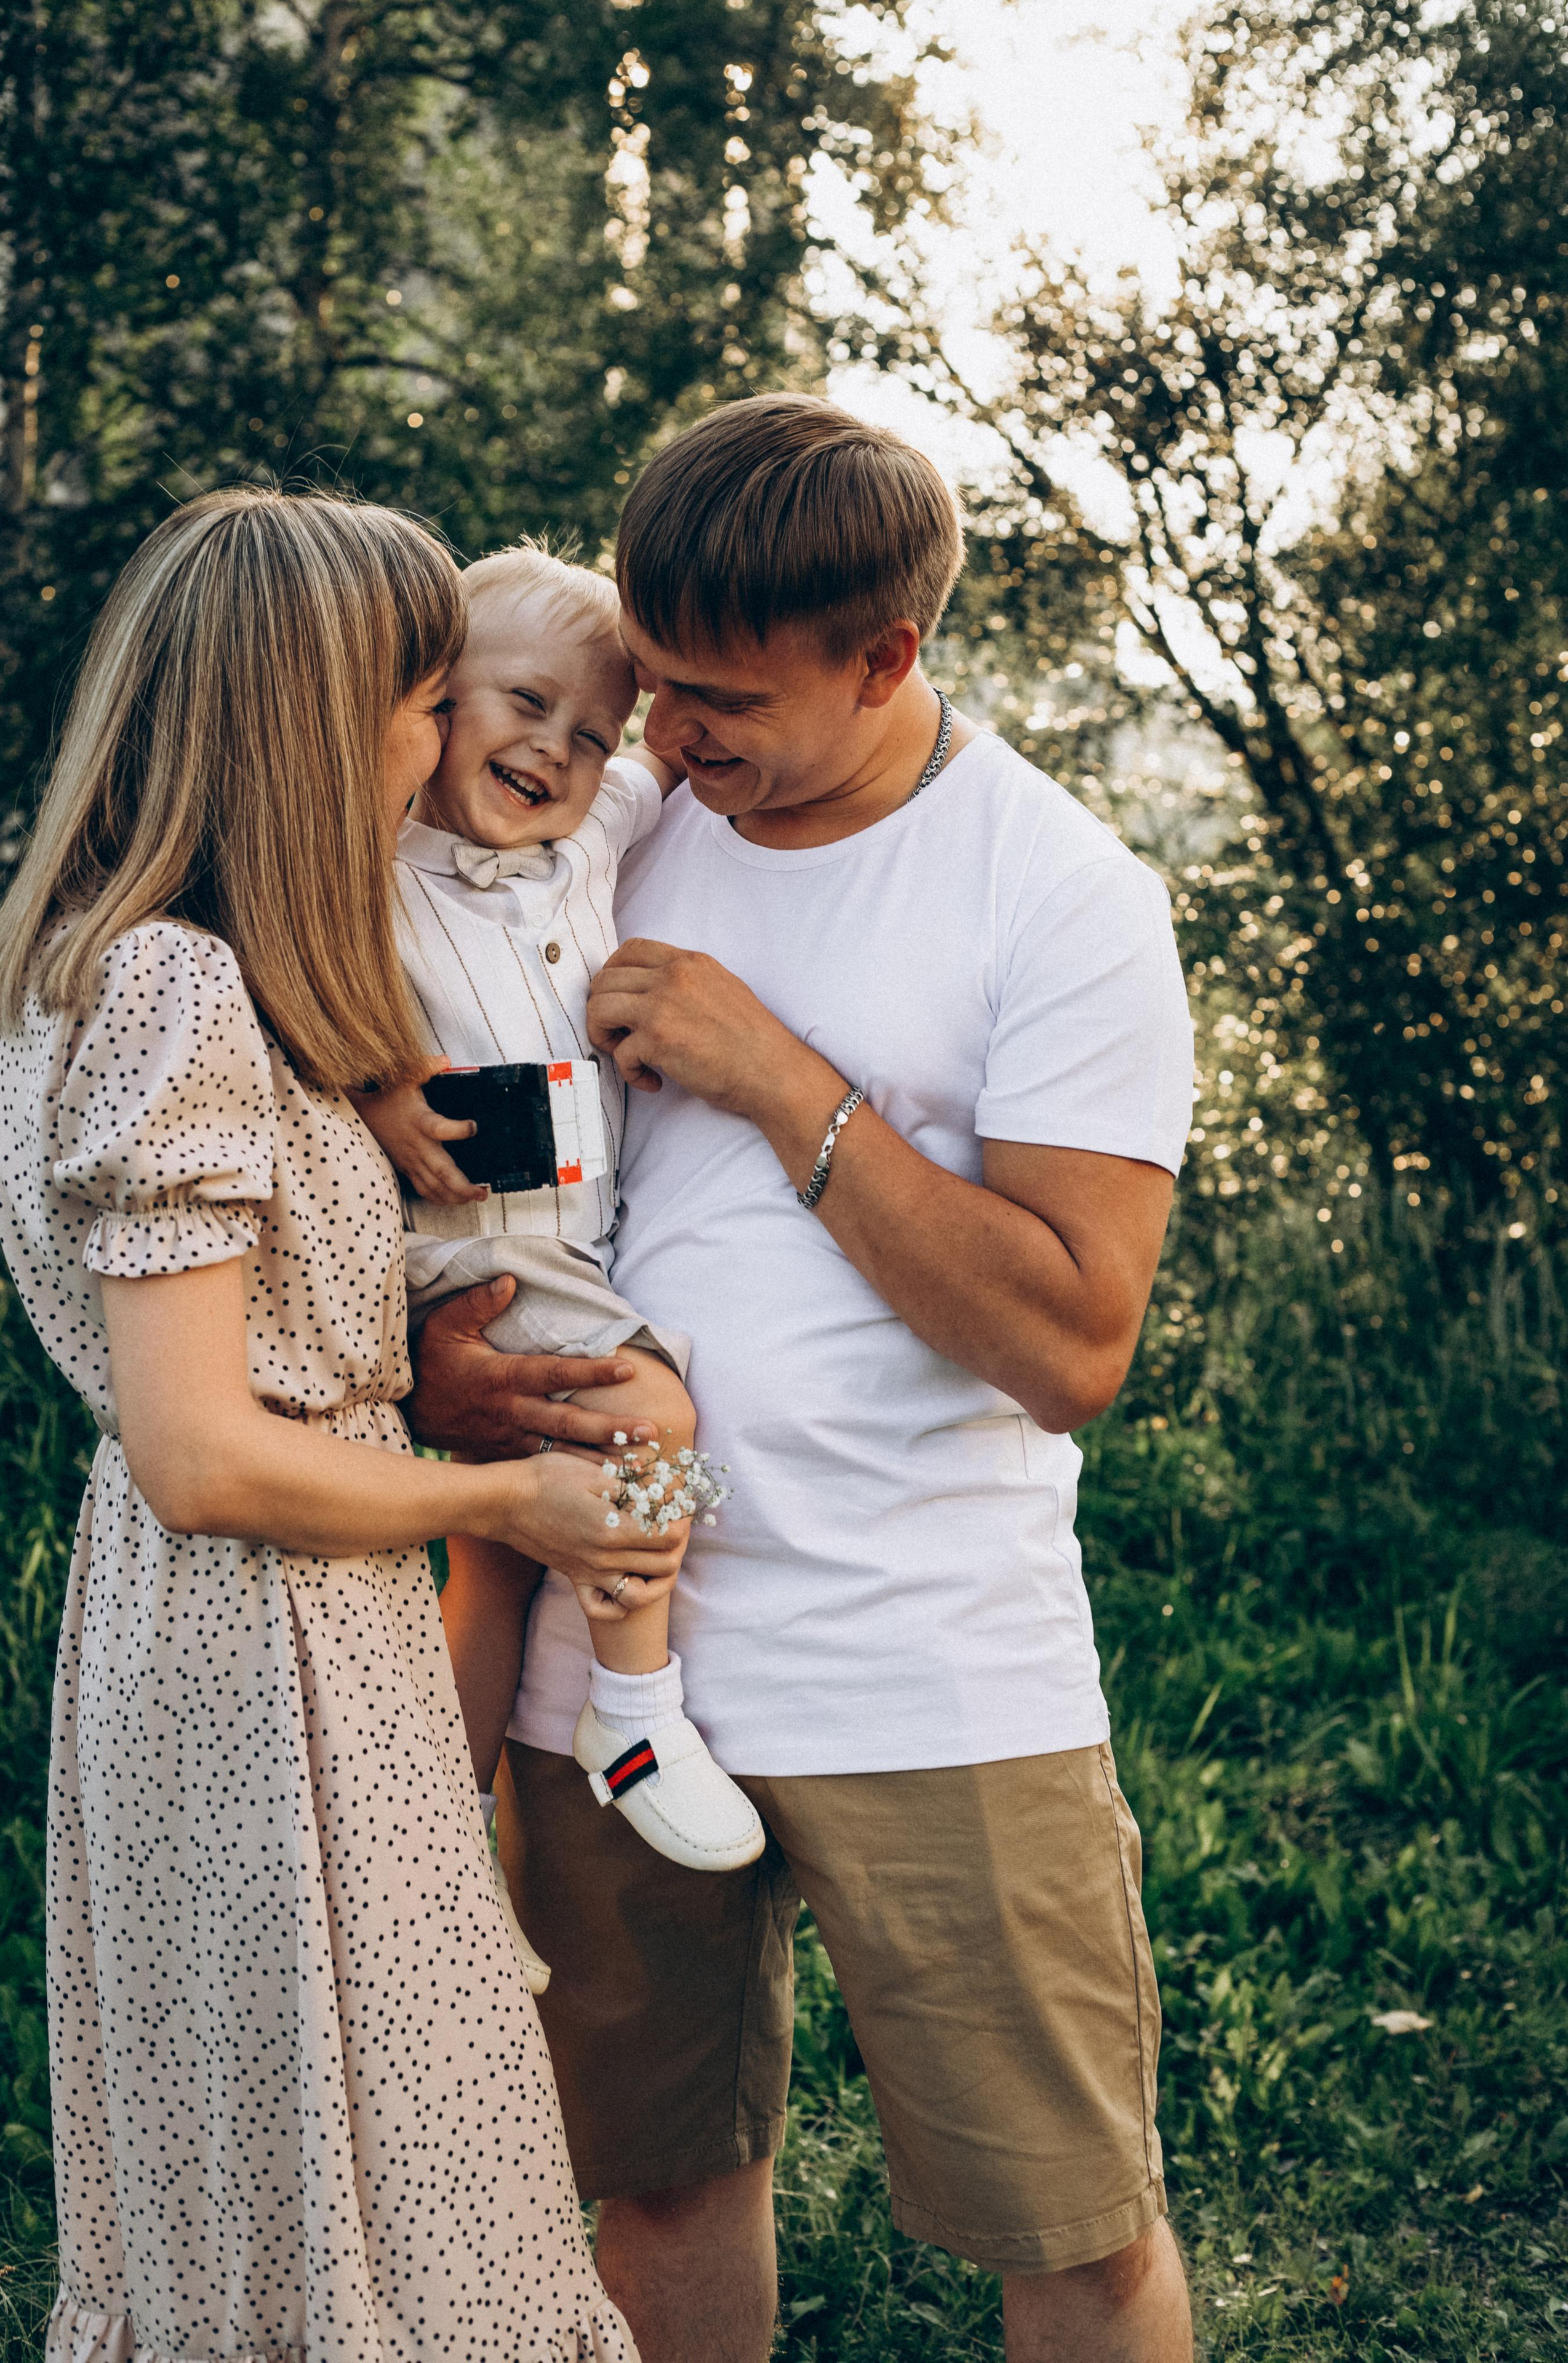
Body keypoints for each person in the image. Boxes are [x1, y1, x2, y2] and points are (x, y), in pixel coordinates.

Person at [411, 394, 1199, 2363]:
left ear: (889, 656)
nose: (666, 744)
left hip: (927, 1662)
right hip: (611, 1659)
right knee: (660, 2181)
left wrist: (778, 1079)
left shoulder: (1061, 894)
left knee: (1073, 2227)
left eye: (721, 703)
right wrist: (448, 1358)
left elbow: (1072, 1344)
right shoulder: (609, 806)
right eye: (651, 689)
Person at [0, 487, 668, 2363]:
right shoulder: (174, 989)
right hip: (270, 1657)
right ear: (315, 717)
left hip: (226, 1648)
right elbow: (202, 1453)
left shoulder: (109, 963)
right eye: (424, 695)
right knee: (400, 2202)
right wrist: (513, 1496)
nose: (442, 738)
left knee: (308, 2204)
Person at [355, 543, 762, 1881]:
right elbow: (276, 1014)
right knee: (656, 1420)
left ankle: (441, 1878)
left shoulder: (591, 835)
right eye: (521, 703)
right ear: (431, 702)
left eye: (588, 734)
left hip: (562, 1245)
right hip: (475, 1254)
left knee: (497, 1567)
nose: (553, 750)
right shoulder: (364, 871)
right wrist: (376, 1099)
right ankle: (635, 1709)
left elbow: (688, 753)